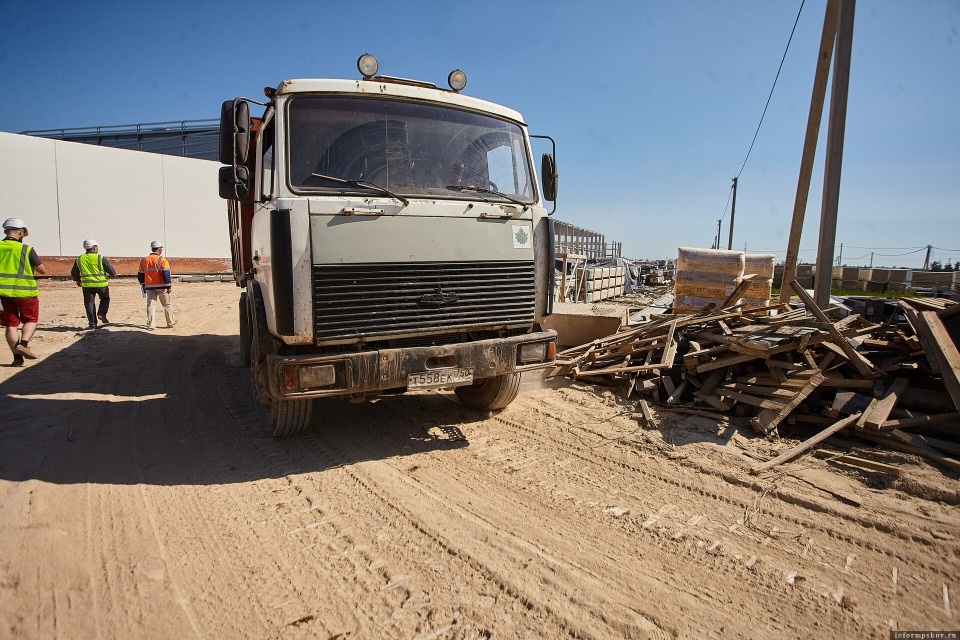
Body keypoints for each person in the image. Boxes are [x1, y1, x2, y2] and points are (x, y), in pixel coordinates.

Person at [0, 217, 46, 366]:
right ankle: (24, 344)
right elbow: (42, 270)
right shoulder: (26, 249)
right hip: (26, 293)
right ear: (20, 232)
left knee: (11, 325)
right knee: (31, 320)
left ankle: (17, 358)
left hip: (4, 294)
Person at [71, 239, 117, 330]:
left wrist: (77, 280)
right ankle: (101, 313)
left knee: (89, 304)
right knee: (105, 298)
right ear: (95, 248)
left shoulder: (79, 259)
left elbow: (74, 272)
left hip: (87, 286)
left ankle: (92, 324)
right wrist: (113, 275)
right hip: (101, 285)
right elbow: (111, 271)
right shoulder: (100, 258)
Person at [137, 240, 177, 330]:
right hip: (161, 286)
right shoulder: (162, 259)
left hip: (149, 286)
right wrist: (168, 286)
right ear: (159, 249)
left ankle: (151, 325)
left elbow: (140, 274)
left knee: (151, 305)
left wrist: (143, 284)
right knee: (167, 304)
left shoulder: (144, 260)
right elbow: (166, 273)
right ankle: (170, 322)